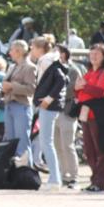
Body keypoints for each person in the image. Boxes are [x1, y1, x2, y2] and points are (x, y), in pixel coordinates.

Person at [75, 44, 104, 192]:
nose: (93, 57)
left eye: (97, 54)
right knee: (89, 150)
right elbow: (78, 92)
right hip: (87, 115)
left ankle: (101, 182)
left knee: (102, 149)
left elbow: (101, 92)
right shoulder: (89, 72)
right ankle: (94, 180)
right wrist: (80, 88)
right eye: (91, 54)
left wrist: (84, 86)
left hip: (99, 115)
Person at [31, 37, 68, 191]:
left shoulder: (47, 61)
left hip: (49, 106)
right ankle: (54, 177)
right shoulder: (49, 60)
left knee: (47, 142)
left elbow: (61, 80)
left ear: (40, 48)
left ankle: (54, 179)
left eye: (33, 47)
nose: (31, 50)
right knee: (46, 141)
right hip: (49, 105)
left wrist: (49, 98)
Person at [1, 40, 36, 165]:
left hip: (21, 106)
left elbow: (31, 89)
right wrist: (3, 88)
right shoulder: (12, 66)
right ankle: (13, 173)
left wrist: (11, 86)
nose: (9, 52)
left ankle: (26, 172)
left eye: (11, 50)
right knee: (11, 142)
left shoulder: (30, 67)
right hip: (9, 105)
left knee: (22, 142)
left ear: (19, 51)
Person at [54, 45, 82, 188]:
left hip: (67, 111)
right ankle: (63, 175)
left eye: (56, 52)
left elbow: (74, 89)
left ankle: (74, 176)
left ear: (64, 54)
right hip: (54, 111)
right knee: (57, 146)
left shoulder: (73, 70)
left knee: (68, 145)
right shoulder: (52, 68)